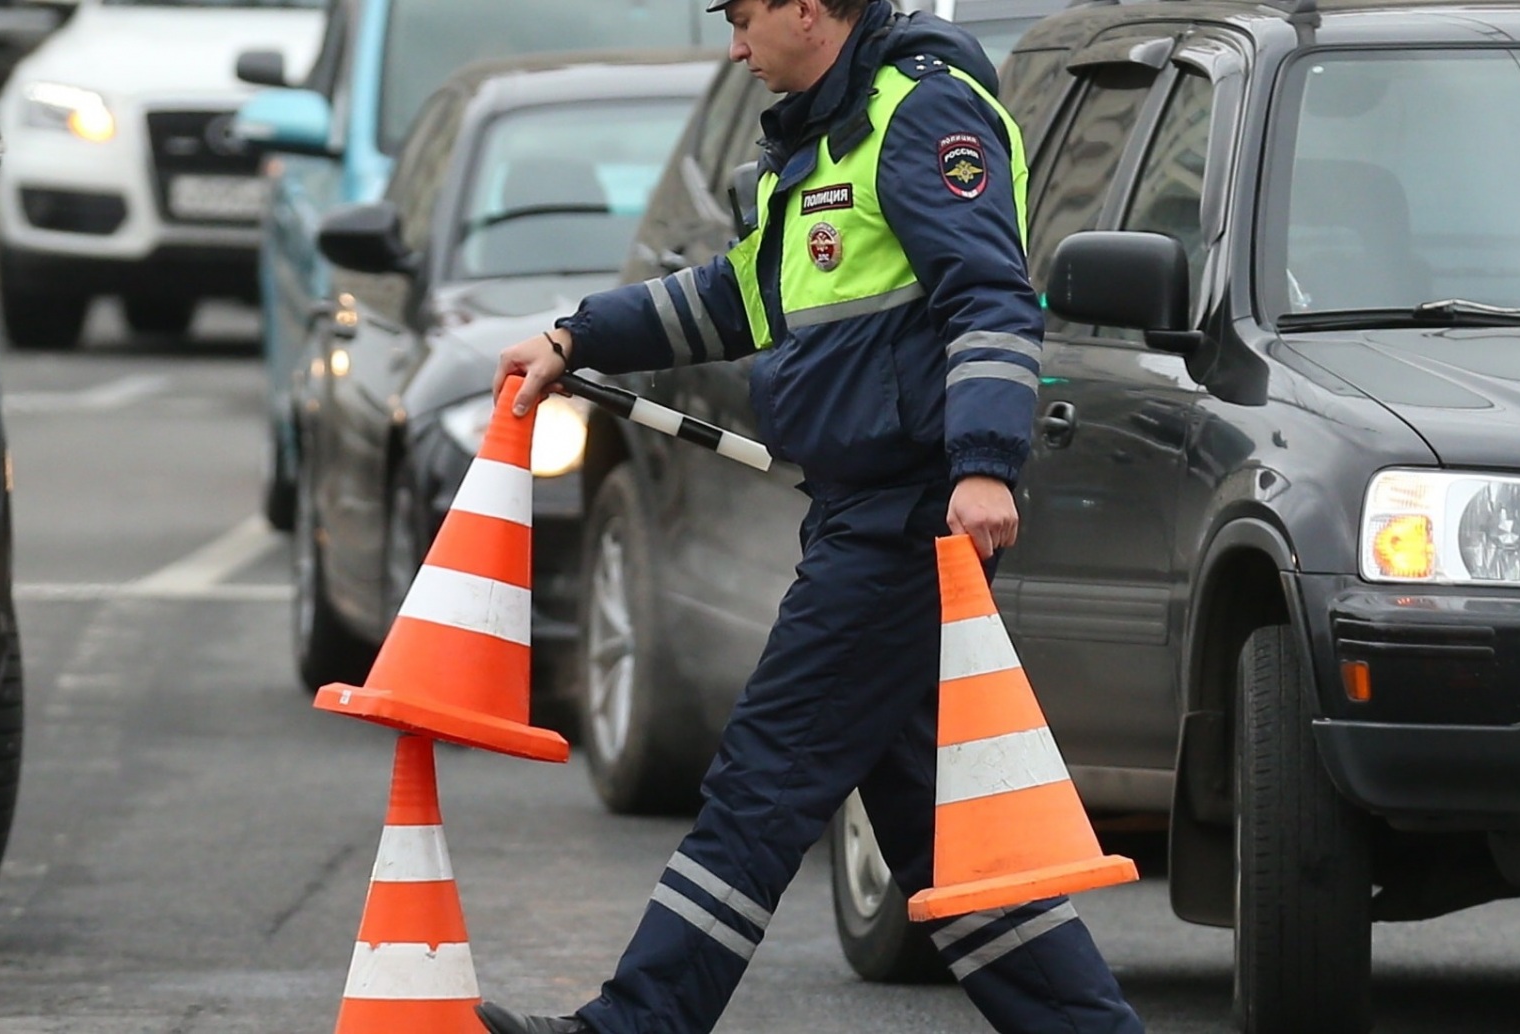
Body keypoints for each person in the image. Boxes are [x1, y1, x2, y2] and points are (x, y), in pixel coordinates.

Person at [475, 2, 1144, 1032]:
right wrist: (576, 338)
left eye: (744, 19)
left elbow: (991, 298)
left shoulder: (917, 115)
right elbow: (738, 299)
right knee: (950, 851)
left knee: (762, 778)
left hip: (906, 522)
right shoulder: (821, 141)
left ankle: (636, 1023)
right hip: (862, 512)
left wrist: (984, 465)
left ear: (804, 7)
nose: (736, 48)